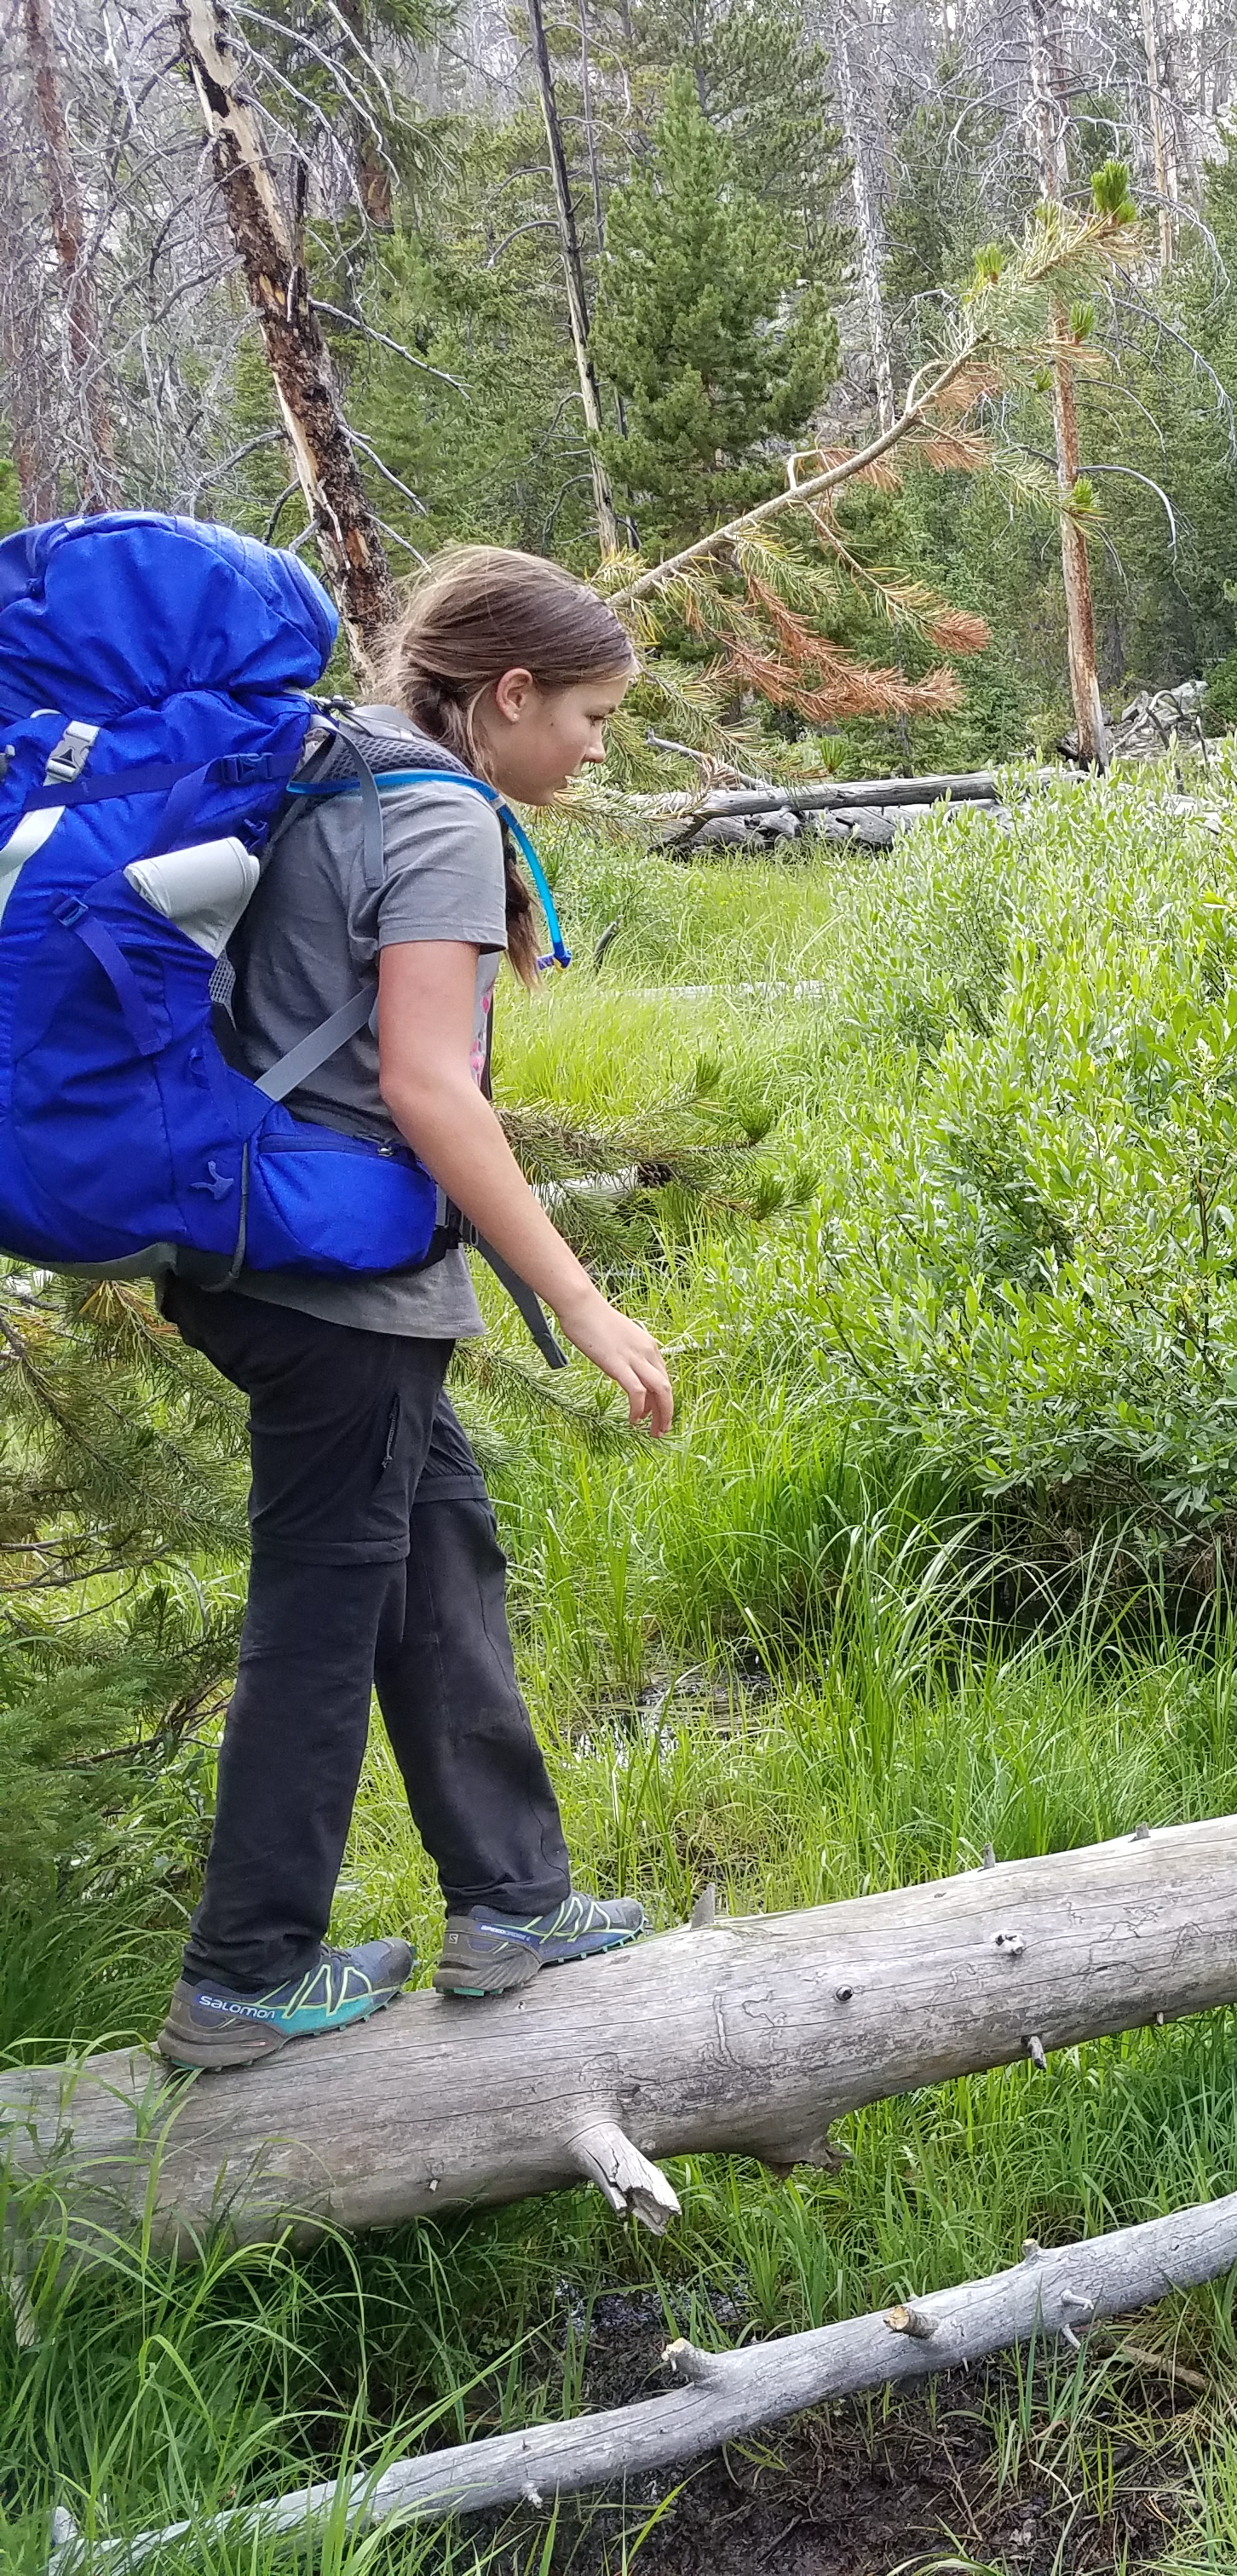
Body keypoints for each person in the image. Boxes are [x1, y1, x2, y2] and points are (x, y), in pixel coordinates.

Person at [153, 545, 676, 2068]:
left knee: (435, 1548)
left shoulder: (330, 781)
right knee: (322, 1610)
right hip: (340, 1284)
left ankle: (513, 1899)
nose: (590, 744)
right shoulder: (438, 812)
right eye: (584, 713)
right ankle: (245, 1973)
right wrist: (579, 1299)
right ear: (507, 694)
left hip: (269, 1253)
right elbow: (431, 1089)